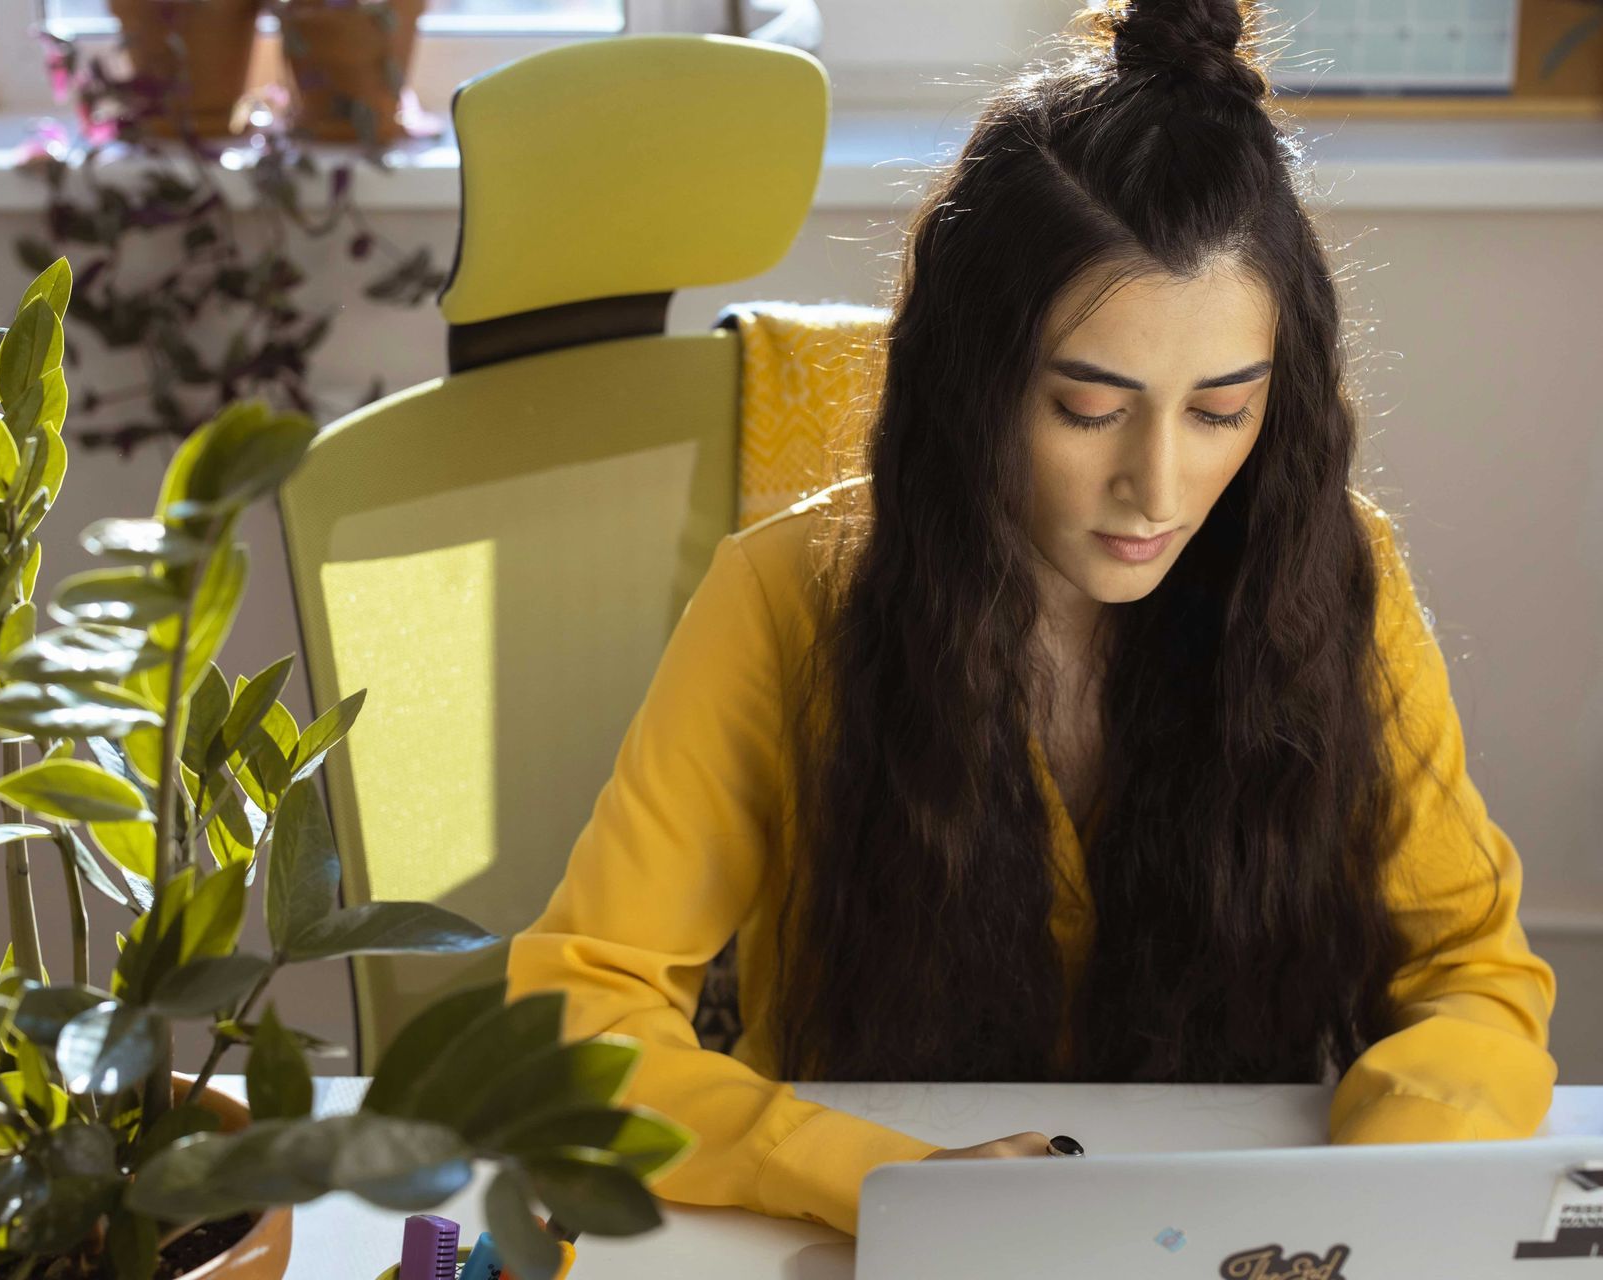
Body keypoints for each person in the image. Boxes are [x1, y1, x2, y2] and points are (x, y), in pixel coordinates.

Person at [502, 0, 1558, 1239]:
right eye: (1088, 408)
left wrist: (1351, 1198)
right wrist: (865, 1174)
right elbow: (577, 1012)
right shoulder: (784, 593)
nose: (1157, 489)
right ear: (975, 378)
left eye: (1221, 413)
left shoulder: (1342, 576)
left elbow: (1474, 982)